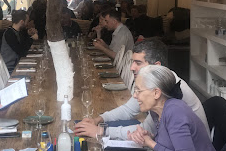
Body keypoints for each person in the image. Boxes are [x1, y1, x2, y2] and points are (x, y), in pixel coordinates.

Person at [74, 38, 208, 138]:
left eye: (138, 63)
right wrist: (97, 120)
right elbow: (128, 110)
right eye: (133, 62)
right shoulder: (153, 81)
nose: (132, 67)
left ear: (157, 66)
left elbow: (147, 129)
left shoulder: (170, 88)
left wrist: (101, 131)